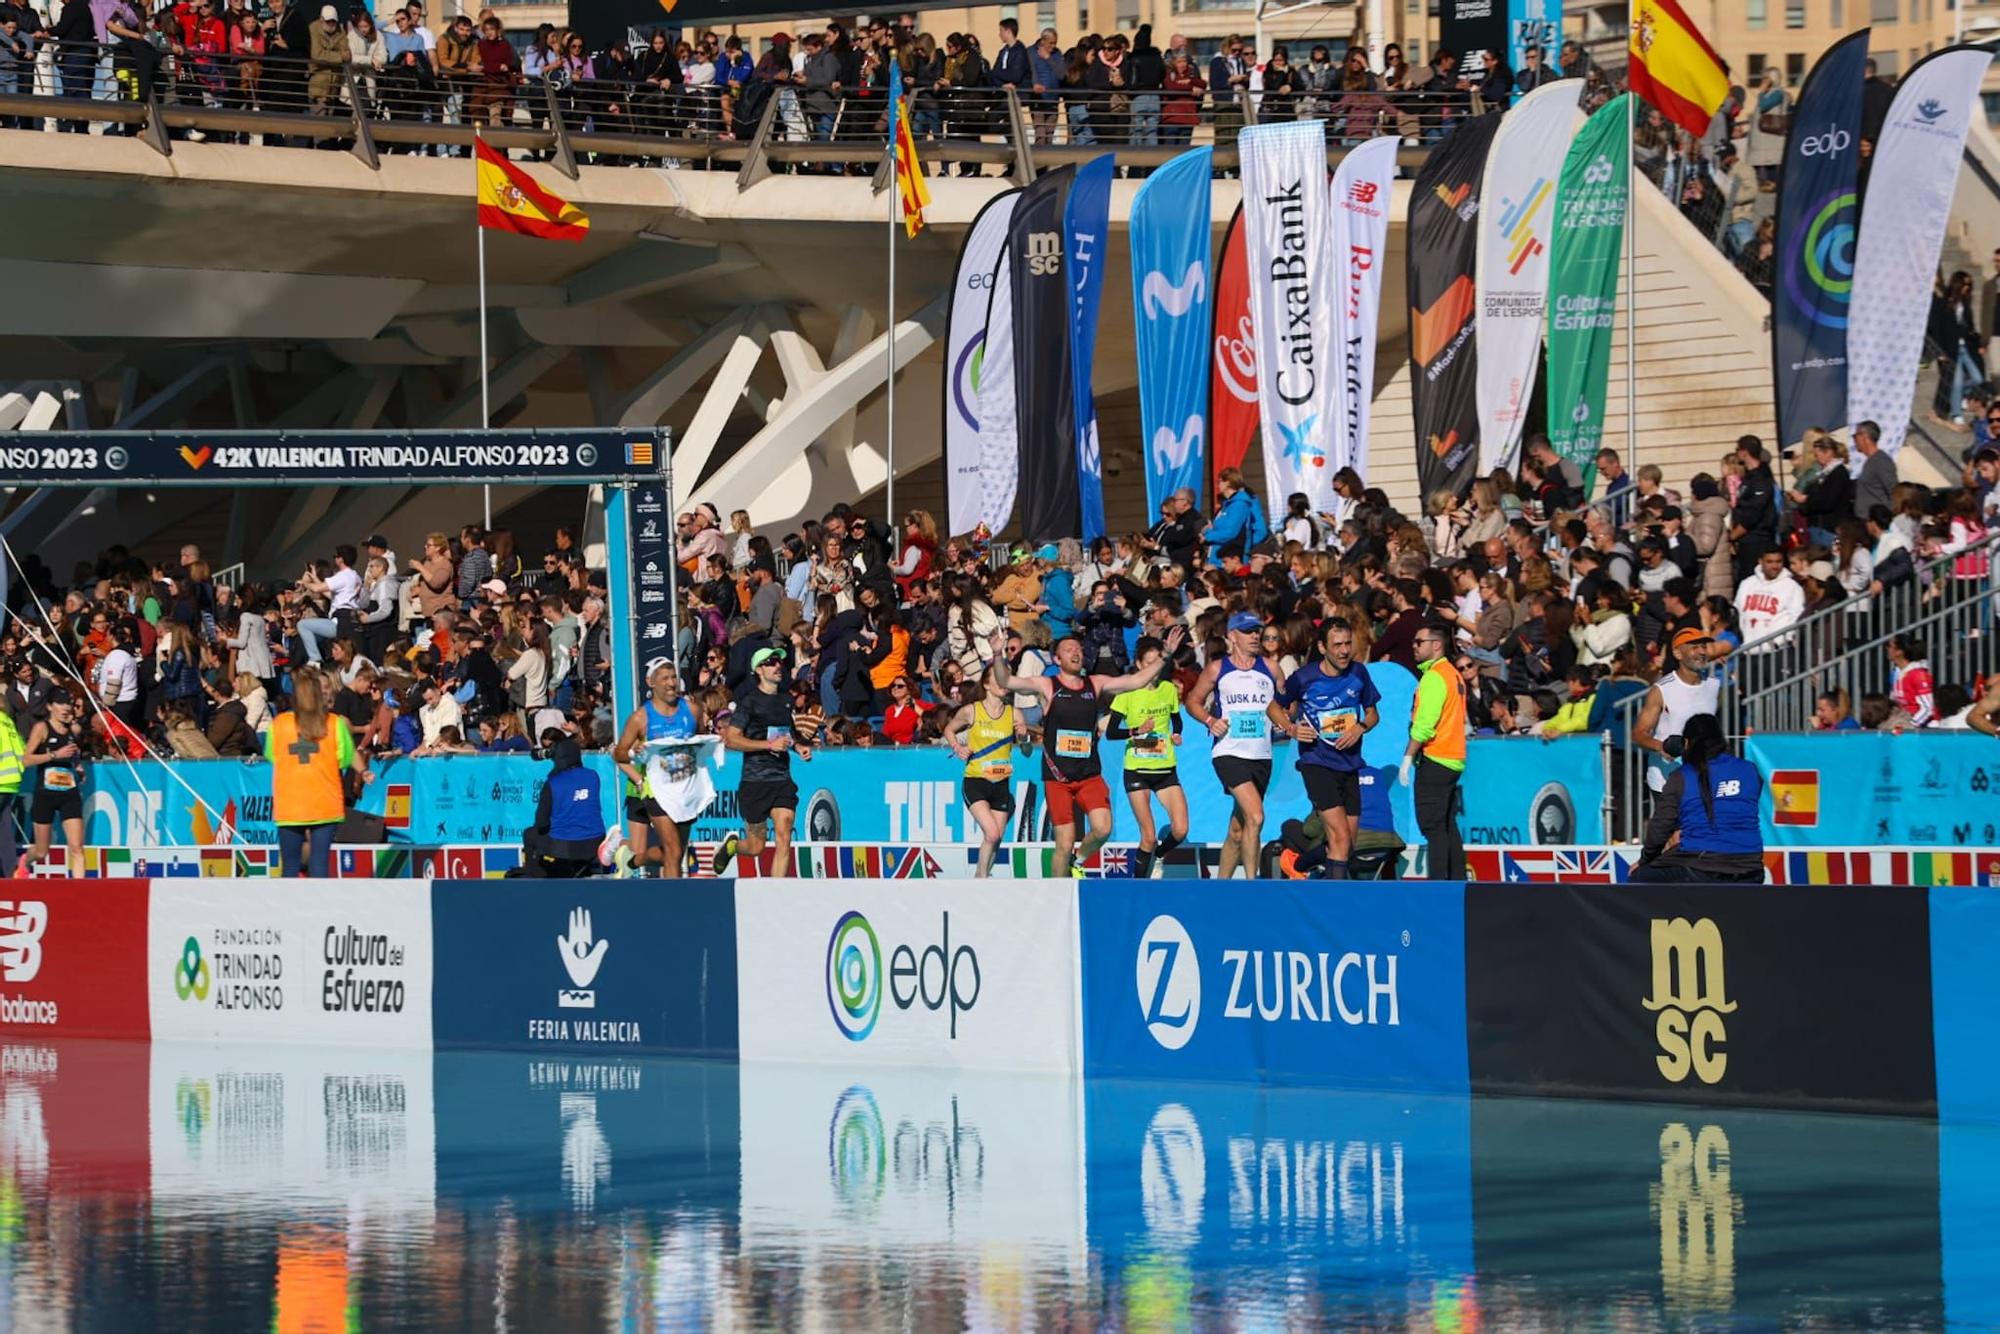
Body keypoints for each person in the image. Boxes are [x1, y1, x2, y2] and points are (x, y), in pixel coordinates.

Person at [997, 625, 1184, 878]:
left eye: (1078, 649)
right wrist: (998, 655)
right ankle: (1059, 896)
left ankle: (1079, 859)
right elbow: (1005, 680)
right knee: (1063, 842)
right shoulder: (1047, 685)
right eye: (1068, 649)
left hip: (1089, 774)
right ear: (1057, 659)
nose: (1075, 653)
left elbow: (1136, 679)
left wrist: (1166, 655)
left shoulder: (1094, 683)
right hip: (1058, 777)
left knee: (1103, 828)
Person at [1187, 612, 1291, 880]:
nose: (1255, 636)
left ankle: (1221, 886)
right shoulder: (1217, 668)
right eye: (1248, 631)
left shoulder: (1271, 667)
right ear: (1232, 636)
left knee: (1238, 827)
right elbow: (1193, 701)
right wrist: (1210, 720)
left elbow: (1287, 702)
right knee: (1256, 816)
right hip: (1229, 752)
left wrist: (1286, 719)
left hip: (1262, 755)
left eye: (1257, 630)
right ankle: (1250, 886)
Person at [1280, 618, 1380, 880]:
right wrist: (1291, 729)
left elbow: (1372, 715)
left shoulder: (1359, 673)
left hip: (1350, 763)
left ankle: (1297, 864)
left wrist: (1360, 727)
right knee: (1339, 838)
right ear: (1323, 647)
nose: (1345, 650)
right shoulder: (1303, 678)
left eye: (1348, 643)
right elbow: (1273, 707)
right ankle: (1336, 905)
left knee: (1347, 844)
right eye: (1337, 645)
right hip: (1317, 762)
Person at [715, 646, 814, 875]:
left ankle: (774, 896)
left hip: (781, 777)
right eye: (771, 662)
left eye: (779, 661)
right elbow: (731, 740)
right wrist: (768, 745)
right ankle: (733, 846)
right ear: (759, 670)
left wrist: (799, 747)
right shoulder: (748, 702)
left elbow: (788, 731)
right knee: (756, 847)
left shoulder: (786, 700)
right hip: (755, 781)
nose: (778, 666)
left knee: (784, 833)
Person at [1631, 713, 1764, 883]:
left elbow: (1659, 828)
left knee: (1639, 877)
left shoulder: (1681, 776)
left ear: (1686, 743)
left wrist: (1645, 860)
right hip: (1751, 868)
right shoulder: (1750, 770)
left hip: (1702, 867)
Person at [266, 667, 372, 878]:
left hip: (290, 804)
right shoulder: (334, 724)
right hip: (325, 802)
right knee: (320, 864)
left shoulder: (279, 725)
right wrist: (364, 771)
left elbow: (272, 756)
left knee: (290, 866)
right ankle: (320, 908)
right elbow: (347, 755)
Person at [612, 661, 712, 879]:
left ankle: (633, 860)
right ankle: (673, 905)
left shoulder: (692, 710)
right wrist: (633, 753)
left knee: (673, 852)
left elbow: (701, 738)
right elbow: (618, 754)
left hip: (686, 789)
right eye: (665, 678)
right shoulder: (641, 718)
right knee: (674, 851)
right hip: (656, 791)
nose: (671, 683)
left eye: (674, 677)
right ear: (651, 683)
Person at [1107, 636, 1187, 880]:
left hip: (1165, 769)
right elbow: (1111, 733)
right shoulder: (1127, 693)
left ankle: (1160, 856)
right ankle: (1138, 886)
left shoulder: (1168, 689)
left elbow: (1176, 719)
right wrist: (1136, 731)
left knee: (1181, 829)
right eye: (1149, 662)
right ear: (1140, 665)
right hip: (1137, 770)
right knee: (1148, 836)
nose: (1155, 668)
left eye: (1159, 662)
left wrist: (1176, 734)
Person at [946, 638, 1024, 879]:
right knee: (991, 833)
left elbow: (1026, 749)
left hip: (1001, 783)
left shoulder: (1014, 713)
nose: (1003, 683)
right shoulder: (972, 710)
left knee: (996, 836)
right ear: (987, 685)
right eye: (998, 679)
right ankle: (980, 877)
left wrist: (1024, 738)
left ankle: (983, 874)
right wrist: (957, 746)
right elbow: (949, 728)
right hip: (976, 781)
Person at [1400, 622, 1466, 879]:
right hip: (1453, 758)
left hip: (1436, 757)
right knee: (1447, 825)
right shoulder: (1452, 674)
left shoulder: (1435, 676)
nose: (1414, 646)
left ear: (1436, 645)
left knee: (1433, 826)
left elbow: (1424, 725)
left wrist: (1408, 757)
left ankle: (1439, 886)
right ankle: (1457, 882)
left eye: (1419, 642)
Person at [1633, 627, 1722, 796]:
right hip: (1667, 780)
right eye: (1694, 647)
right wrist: (1661, 747)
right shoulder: (1661, 689)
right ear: (1678, 653)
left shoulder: (1714, 686)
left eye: (1704, 647)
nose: (1702, 652)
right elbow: (1638, 733)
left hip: (1702, 779)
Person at [522, 731, 607, 878]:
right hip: (595, 840)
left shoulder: (553, 783)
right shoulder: (593, 776)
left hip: (564, 845)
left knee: (530, 834)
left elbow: (541, 823)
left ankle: (535, 875)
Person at [19, 693, 84, 877]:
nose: (65, 708)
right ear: (49, 707)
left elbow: (74, 753)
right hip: (45, 794)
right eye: (60, 703)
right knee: (42, 851)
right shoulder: (42, 728)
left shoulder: (74, 730)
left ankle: (82, 896)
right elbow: (26, 759)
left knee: (77, 847)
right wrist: (54, 755)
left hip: (69, 793)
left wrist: (78, 767)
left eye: (68, 704)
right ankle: (26, 859)